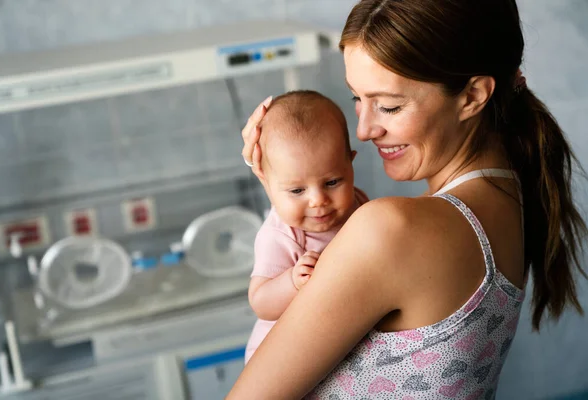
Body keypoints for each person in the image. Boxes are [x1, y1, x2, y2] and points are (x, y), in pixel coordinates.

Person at [230, 0, 587, 398]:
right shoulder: (511, 190)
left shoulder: (392, 231)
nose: (364, 130)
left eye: (388, 105)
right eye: (357, 99)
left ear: (472, 96)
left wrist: (284, 184)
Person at [244, 90, 369, 364]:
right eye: (297, 190)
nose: (318, 200)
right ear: (267, 184)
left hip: (330, 345)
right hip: (279, 357)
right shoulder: (281, 235)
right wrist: (292, 282)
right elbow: (261, 302)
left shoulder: (358, 204)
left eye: (332, 182)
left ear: (351, 163)